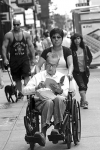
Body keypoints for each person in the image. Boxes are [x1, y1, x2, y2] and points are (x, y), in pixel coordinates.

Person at [22, 52, 76, 147]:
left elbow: (66, 94)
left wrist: (59, 90)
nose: (50, 67)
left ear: (57, 65)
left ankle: (57, 128)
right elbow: (24, 91)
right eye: (48, 64)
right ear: (45, 63)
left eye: (53, 65)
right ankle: (43, 133)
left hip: (59, 103)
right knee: (48, 102)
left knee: (59, 98)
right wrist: (36, 88)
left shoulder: (62, 77)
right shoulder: (38, 76)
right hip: (42, 103)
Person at [2, 19, 35, 99]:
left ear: (20, 24)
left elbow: (31, 46)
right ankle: (20, 93)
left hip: (24, 59)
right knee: (17, 78)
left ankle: (27, 92)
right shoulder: (9, 35)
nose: (16, 26)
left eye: (17, 24)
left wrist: (33, 58)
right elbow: (4, 47)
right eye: (14, 24)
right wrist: (5, 58)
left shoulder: (26, 34)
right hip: (14, 60)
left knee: (26, 76)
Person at [70, 33, 93, 109]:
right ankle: (85, 102)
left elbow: (90, 57)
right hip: (76, 72)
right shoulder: (71, 50)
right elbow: (69, 61)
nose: (77, 40)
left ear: (81, 39)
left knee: (85, 86)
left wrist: (88, 65)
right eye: (75, 39)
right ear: (73, 40)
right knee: (81, 85)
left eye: (78, 38)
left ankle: (82, 100)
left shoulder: (85, 48)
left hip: (85, 71)